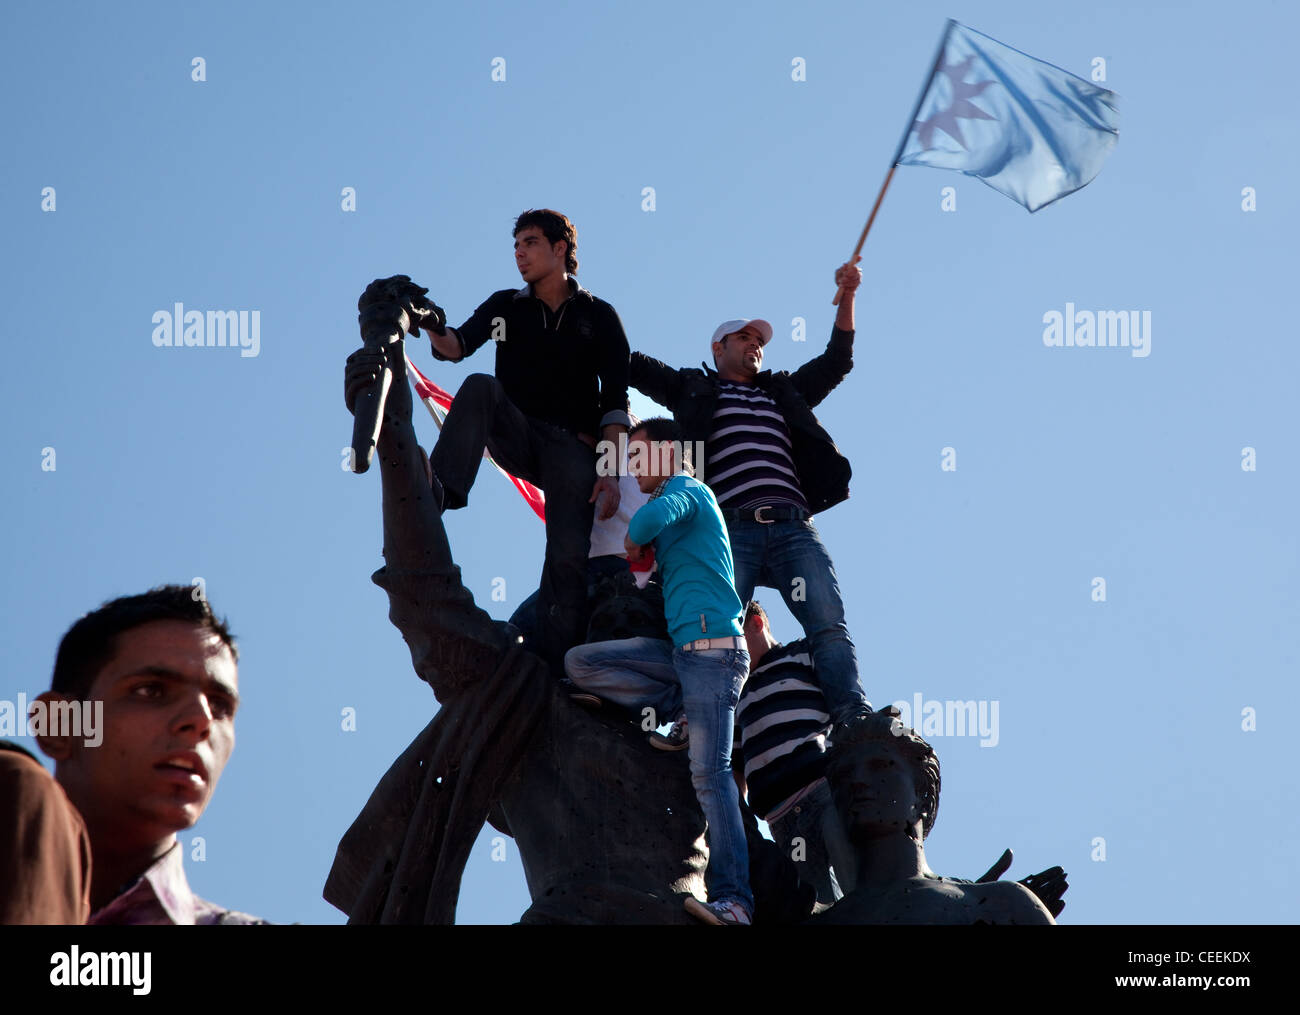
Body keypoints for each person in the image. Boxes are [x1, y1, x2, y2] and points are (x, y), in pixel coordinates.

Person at [628, 258, 870, 727]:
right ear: (718, 348)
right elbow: (631, 363)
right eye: (745, 338)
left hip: (793, 527)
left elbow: (838, 361)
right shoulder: (692, 389)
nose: (755, 345)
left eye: (759, 340)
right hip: (729, 531)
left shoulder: (783, 392)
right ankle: (688, 726)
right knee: (706, 634)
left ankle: (852, 718)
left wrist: (849, 297)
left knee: (827, 624)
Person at [564, 417, 753, 926]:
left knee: (711, 778)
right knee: (581, 663)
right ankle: (684, 712)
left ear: (668, 454)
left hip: (715, 655)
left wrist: (636, 539)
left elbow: (644, 528)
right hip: (685, 661)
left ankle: (737, 903)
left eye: (638, 457)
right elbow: (645, 573)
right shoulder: (675, 508)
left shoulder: (688, 488)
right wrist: (640, 554)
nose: (632, 469)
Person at [424, 209, 631, 669]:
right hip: (516, 432)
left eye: (530, 243)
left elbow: (616, 402)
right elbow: (456, 346)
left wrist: (611, 473)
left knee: (567, 558)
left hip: (573, 450)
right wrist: (431, 324)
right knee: (480, 385)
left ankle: (560, 667)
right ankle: (436, 492)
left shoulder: (598, 315)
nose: (519, 253)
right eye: (516, 245)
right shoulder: (505, 306)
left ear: (560, 249)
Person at [0, 587, 265, 924]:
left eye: (220, 706)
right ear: (59, 724)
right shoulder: (14, 785)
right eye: (151, 690)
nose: (201, 721)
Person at [812, 712, 1056, 925]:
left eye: (879, 767)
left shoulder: (1003, 905)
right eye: (844, 775)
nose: (857, 781)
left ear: (923, 796)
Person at [733, 600, 855, 906]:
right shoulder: (734, 694)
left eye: (734, 640)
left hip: (822, 793)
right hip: (782, 819)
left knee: (855, 877)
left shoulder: (802, 653)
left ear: (757, 625)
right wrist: (737, 815)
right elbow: (736, 764)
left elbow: (840, 698)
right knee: (817, 901)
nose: (729, 651)